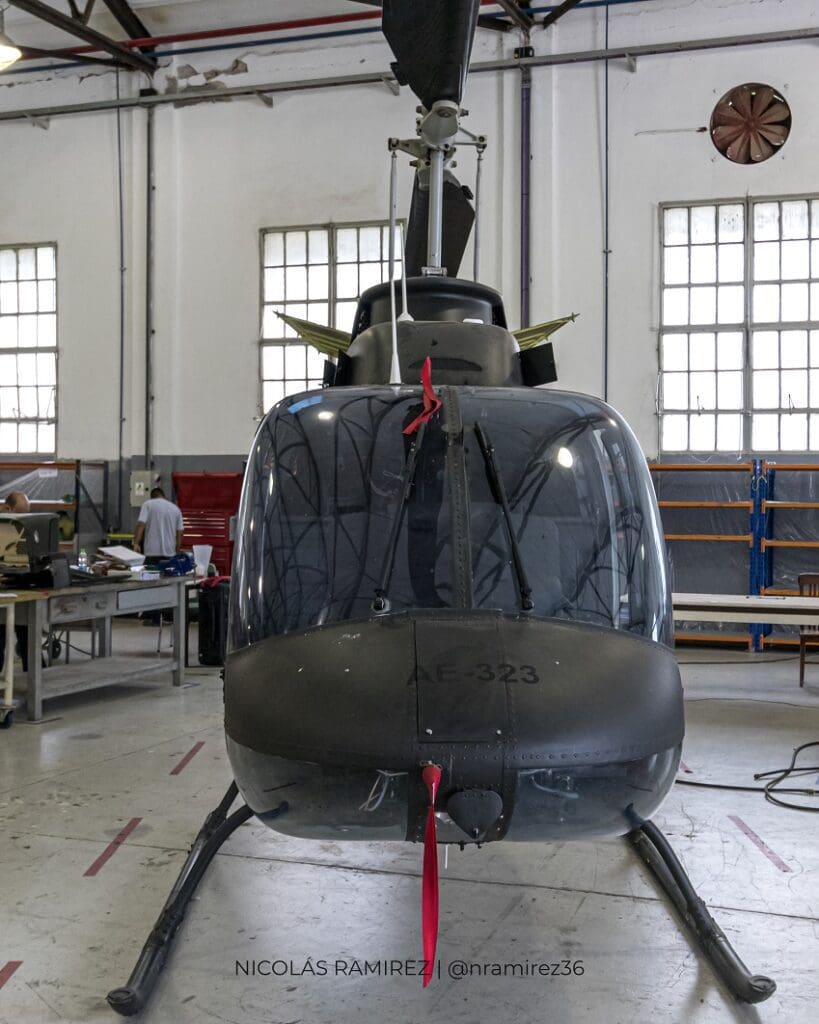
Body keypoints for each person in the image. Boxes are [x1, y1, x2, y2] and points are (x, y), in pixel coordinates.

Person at [0, 491, 31, 671]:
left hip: (17, 586)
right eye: (20, 514)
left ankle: (35, 675)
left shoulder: (18, 528)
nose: (22, 519)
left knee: (27, 634)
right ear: (7, 508)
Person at [133, 487, 184, 560]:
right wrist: (177, 550)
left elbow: (141, 524)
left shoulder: (147, 504)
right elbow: (180, 533)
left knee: (151, 567)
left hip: (151, 552)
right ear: (164, 496)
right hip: (170, 552)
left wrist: (136, 543)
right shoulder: (176, 509)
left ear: (152, 497)